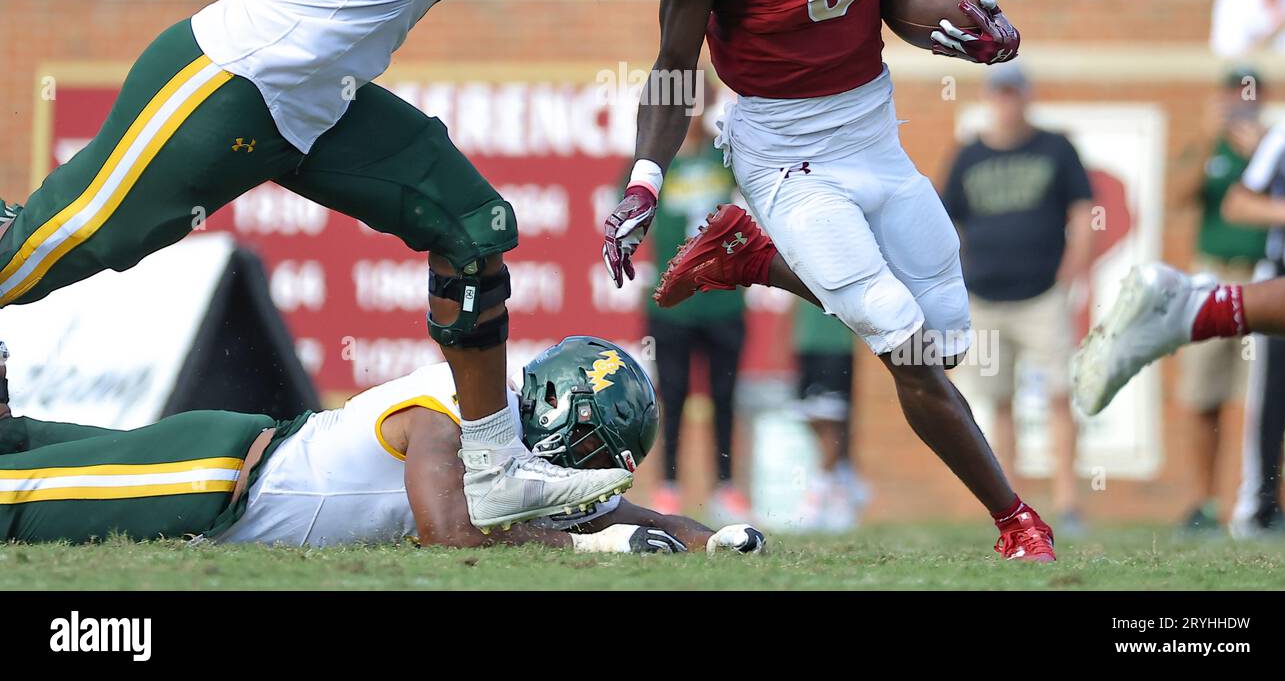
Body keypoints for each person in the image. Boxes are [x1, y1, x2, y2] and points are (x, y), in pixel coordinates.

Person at [0, 0, 911, 532]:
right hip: (225, 85)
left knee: (471, 222)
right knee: (42, 248)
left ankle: (493, 460)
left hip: (317, 100)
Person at [600, 0, 1053, 562]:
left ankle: (757, 259)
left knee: (945, 333)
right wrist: (644, 180)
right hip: (780, 149)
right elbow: (673, 60)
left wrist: (960, 29)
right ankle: (1017, 522)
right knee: (904, 340)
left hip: (873, 131)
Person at [0, 335, 763, 554]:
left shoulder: (512, 437)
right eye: (597, 448)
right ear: (567, 411)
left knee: (16, 446)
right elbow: (447, 531)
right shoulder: (457, 405)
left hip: (224, 473)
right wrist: (593, 551)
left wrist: (714, 540)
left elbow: (617, 510)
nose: (593, 471)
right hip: (216, 479)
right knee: (13, 499)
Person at [1076, 105, 1285, 538]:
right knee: (1248, 402)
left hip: (1257, 285)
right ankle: (1247, 506)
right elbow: (1214, 199)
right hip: (1264, 275)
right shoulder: (1283, 133)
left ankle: (1194, 309)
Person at [942, 63, 1093, 531]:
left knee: (1058, 395)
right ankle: (1013, 507)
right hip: (984, 298)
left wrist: (1071, 272)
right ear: (989, 99)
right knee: (998, 402)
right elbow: (948, 224)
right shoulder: (968, 155)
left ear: (1027, 96)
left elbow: (1084, 212)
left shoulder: (1056, 147)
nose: (1007, 102)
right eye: (999, 94)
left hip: (1042, 295)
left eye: (1014, 93)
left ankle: (1068, 504)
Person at [1167, 68, 1268, 533]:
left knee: (1258, 399)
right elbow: (1178, 196)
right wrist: (1209, 140)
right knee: (1202, 395)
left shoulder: (1276, 145)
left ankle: (1256, 501)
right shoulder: (1209, 147)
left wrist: (1261, 152)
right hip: (1213, 277)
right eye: (1232, 93)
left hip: (1262, 279)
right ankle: (1203, 503)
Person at [642, 90, 749, 524]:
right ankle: (668, 484)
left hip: (723, 298)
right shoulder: (654, 162)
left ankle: (725, 484)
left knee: (725, 395)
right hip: (672, 303)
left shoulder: (725, 157)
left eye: (695, 101)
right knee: (673, 393)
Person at [791, 298, 869, 532]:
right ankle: (844, 484)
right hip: (806, 344)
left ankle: (816, 500)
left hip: (835, 345)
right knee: (813, 417)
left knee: (832, 420)